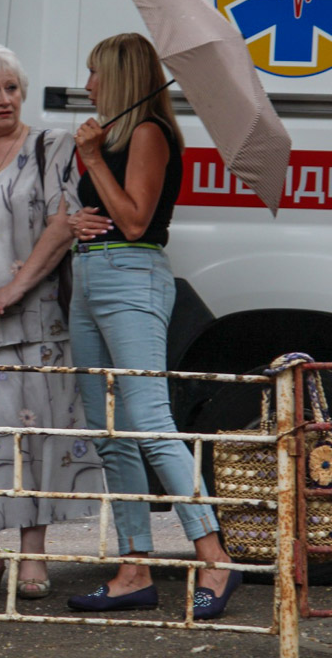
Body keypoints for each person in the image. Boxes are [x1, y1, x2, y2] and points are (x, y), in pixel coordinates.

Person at [64, 33, 240, 619]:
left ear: (119, 76)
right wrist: (77, 222)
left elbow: (136, 222)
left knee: (149, 421)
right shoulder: (113, 135)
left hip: (131, 274)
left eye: (95, 73)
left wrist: (93, 160)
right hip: (90, 275)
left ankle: (214, 557)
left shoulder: (148, 132)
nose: (87, 84)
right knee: (108, 430)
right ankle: (133, 568)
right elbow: (108, 212)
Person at [0, 45, 103, 600]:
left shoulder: (51, 145)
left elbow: (63, 223)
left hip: (36, 320)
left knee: (37, 438)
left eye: (11, 88)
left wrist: (13, 288)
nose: (4, 99)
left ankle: (33, 553)